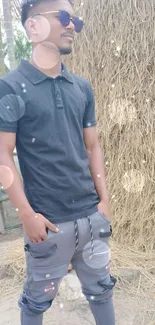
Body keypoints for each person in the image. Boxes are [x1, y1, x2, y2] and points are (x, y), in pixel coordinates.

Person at [0, 0, 116, 324]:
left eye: (74, 20)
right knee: (36, 303)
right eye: (63, 16)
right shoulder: (10, 87)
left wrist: (104, 201)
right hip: (48, 227)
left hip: (92, 220)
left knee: (103, 291)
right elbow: (2, 153)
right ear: (33, 26)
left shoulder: (81, 87)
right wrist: (26, 215)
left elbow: (92, 146)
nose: (71, 26)